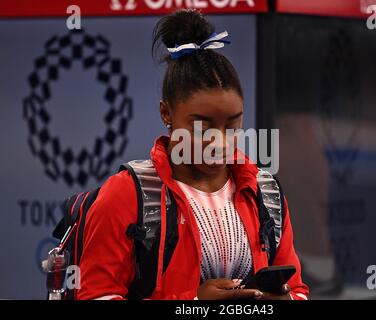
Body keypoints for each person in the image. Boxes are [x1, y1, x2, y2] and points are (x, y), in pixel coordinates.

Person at [77, 9, 308, 300]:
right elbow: (97, 295)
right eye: (201, 126)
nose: (220, 141)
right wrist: (194, 302)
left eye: (233, 124)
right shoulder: (125, 194)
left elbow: (298, 289)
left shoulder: (265, 192)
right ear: (166, 113)